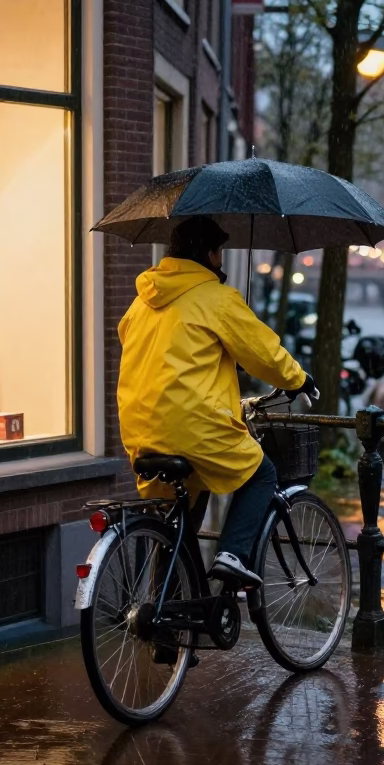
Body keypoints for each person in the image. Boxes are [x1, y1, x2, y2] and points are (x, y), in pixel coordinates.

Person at [117, 216, 314, 588]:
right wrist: (298, 379)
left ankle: (166, 626)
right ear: (209, 254)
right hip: (196, 428)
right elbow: (263, 353)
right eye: (220, 252)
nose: (222, 261)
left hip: (141, 430)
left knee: (178, 528)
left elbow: (135, 343)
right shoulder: (216, 298)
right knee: (262, 473)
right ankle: (233, 554)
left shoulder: (140, 303)